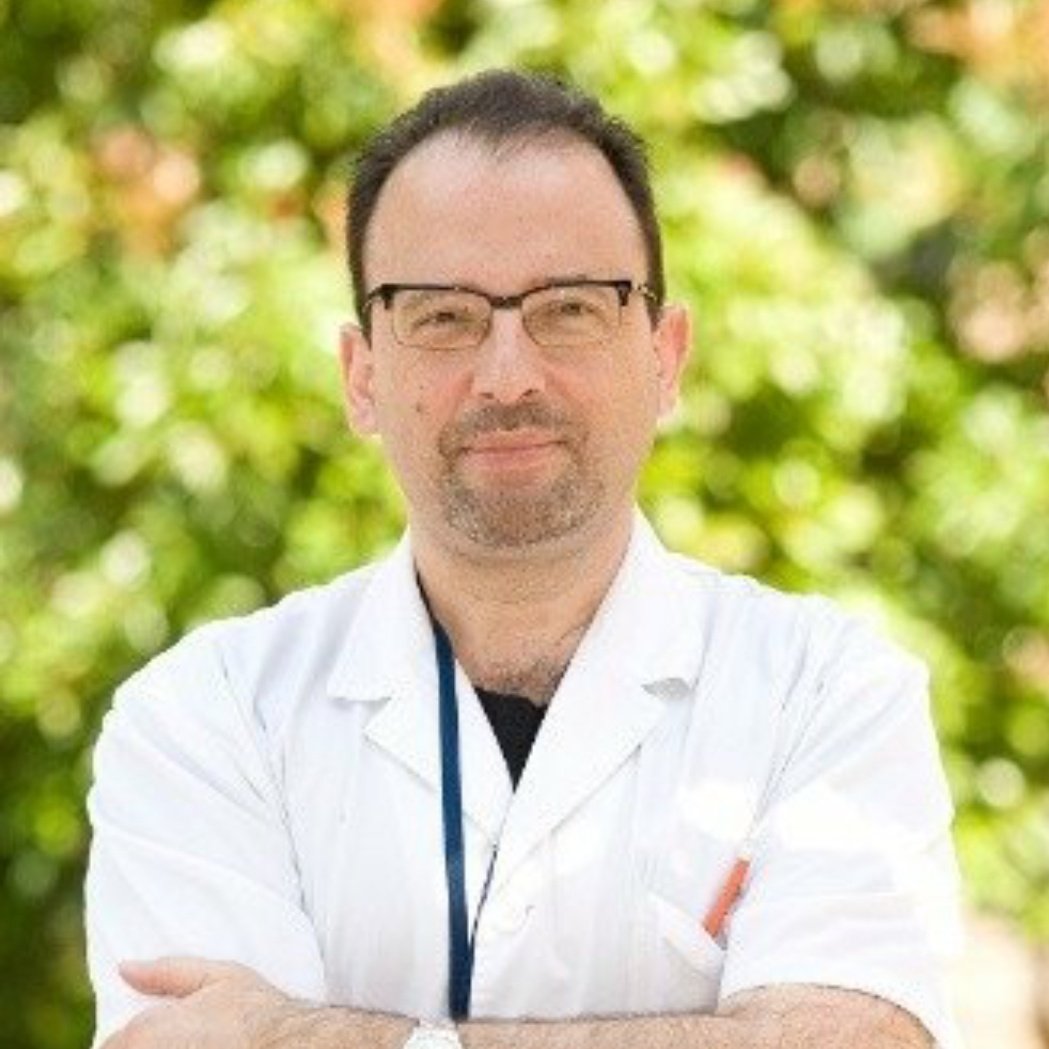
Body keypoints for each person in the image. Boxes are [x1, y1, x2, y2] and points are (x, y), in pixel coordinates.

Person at [85, 69, 963, 1049]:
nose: (506, 376)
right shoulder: (205, 716)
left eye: (569, 308)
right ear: (361, 374)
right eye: (441, 315)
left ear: (664, 356)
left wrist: (313, 1034)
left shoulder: (827, 692)